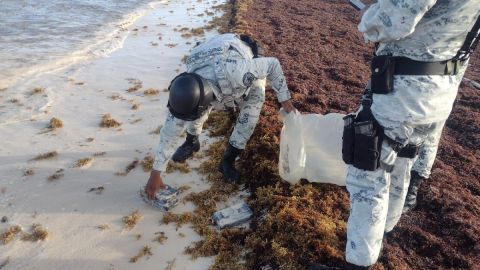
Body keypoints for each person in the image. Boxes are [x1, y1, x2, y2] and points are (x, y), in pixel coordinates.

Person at [310, 1, 479, 269]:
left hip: (404, 95)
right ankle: (384, 230)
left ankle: (358, 263)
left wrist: (369, 16)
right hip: (441, 94)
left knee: (368, 176)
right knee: (403, 162)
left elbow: (394, 19)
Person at [144, 33, 295, 201]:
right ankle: (192, 142)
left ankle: (227, 161)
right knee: (195, 110)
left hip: (236, 62)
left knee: (251, 111)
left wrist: (285, 100)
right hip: (209, 57)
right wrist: (156, 173)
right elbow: (169, 132)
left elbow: (273, 64)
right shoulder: (185, 87)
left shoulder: (239, 72)